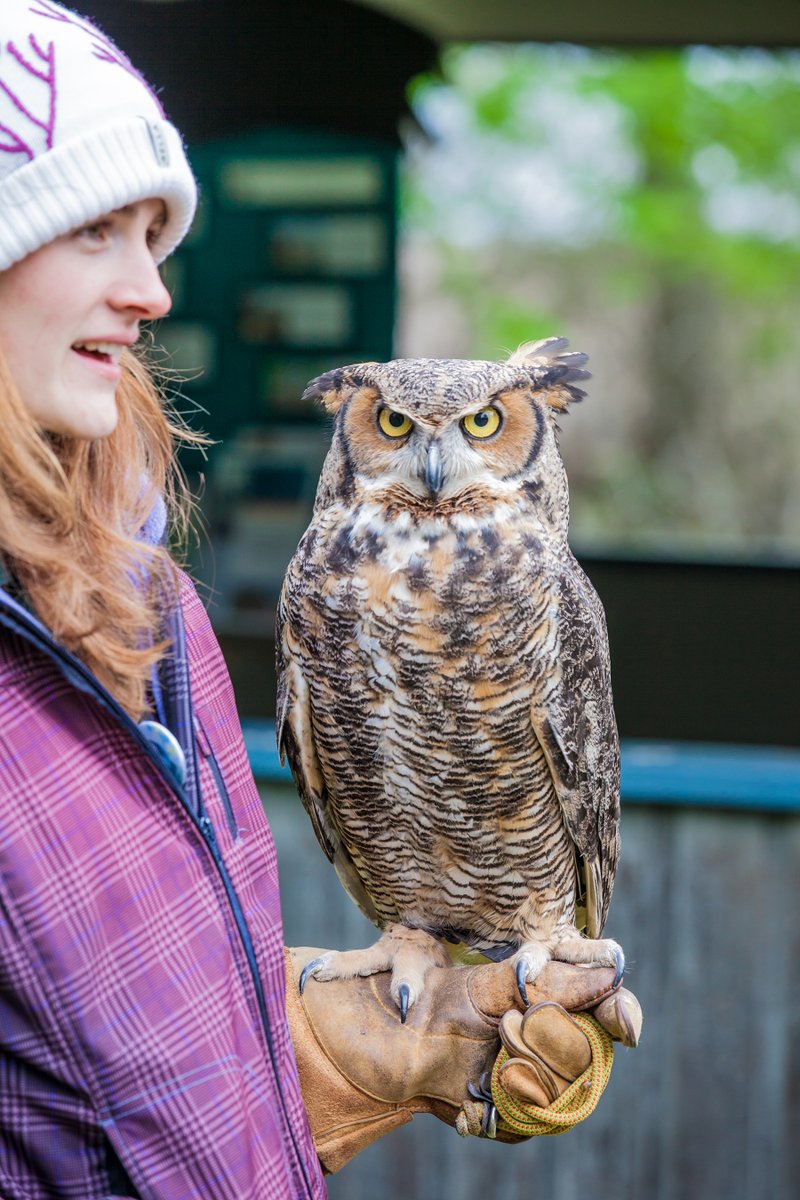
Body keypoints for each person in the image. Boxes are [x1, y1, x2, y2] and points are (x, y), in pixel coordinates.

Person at [0, 4, 640, 1198]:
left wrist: (304, 1049)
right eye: (96, 233)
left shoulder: (136, 598)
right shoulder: (293, 588)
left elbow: (105, 1035)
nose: (150, 291)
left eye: (156, 238)